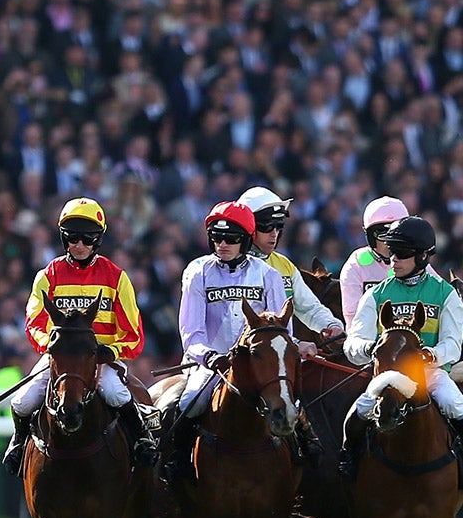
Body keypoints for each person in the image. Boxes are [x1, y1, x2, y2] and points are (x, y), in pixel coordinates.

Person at [3, 197, 148, 475]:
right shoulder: (48, 275)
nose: (79, 245)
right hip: (59, 358)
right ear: (63, 238)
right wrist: (51, 345)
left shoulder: (116, 277)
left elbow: (134, 335)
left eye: (87, 238)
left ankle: (142, 441)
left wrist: (112, 352)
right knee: (22, 402)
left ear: (98, 240)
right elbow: (34, 323)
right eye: (72, 238)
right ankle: (19, 443)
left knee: (117, 394)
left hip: (100, 360)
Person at [148, 201, 288, 483]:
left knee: (291, 405)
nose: (222, 244)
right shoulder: (197, 272)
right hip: (212, 365)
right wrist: (210, 357)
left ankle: (304, 459)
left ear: (247, 241)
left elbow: (283, 330)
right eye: (217, 238)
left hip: (259, 365)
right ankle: (175, 464)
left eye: (231, 239)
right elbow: (191, 331)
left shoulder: (269, 275)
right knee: (187, 404)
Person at [342, 215, 463, 474]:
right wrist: (367, 348)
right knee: (357, 413)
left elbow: (453, 343)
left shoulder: (445, 294)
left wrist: (431, 356)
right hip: (387, 376)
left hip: (429, 374)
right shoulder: (375, 294)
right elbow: (353, 341)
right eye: (392, 252)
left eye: (402, 254)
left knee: (455, 404)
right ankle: (348, 460)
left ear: (422, 257)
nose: (393, 259)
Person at [238, 186, 345, 342]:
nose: (274, 233)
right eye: (266, 226)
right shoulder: (230, 267)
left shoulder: (285, 265)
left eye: (278, 226)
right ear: (247, 226)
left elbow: (309, 308)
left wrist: (331, 325)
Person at [341, 196, 408, 324]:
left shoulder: (417, 260)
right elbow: (353, 319)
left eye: (397, 233)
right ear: (370, 236)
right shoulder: (355, 265)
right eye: (381, 232)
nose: (389, 240)